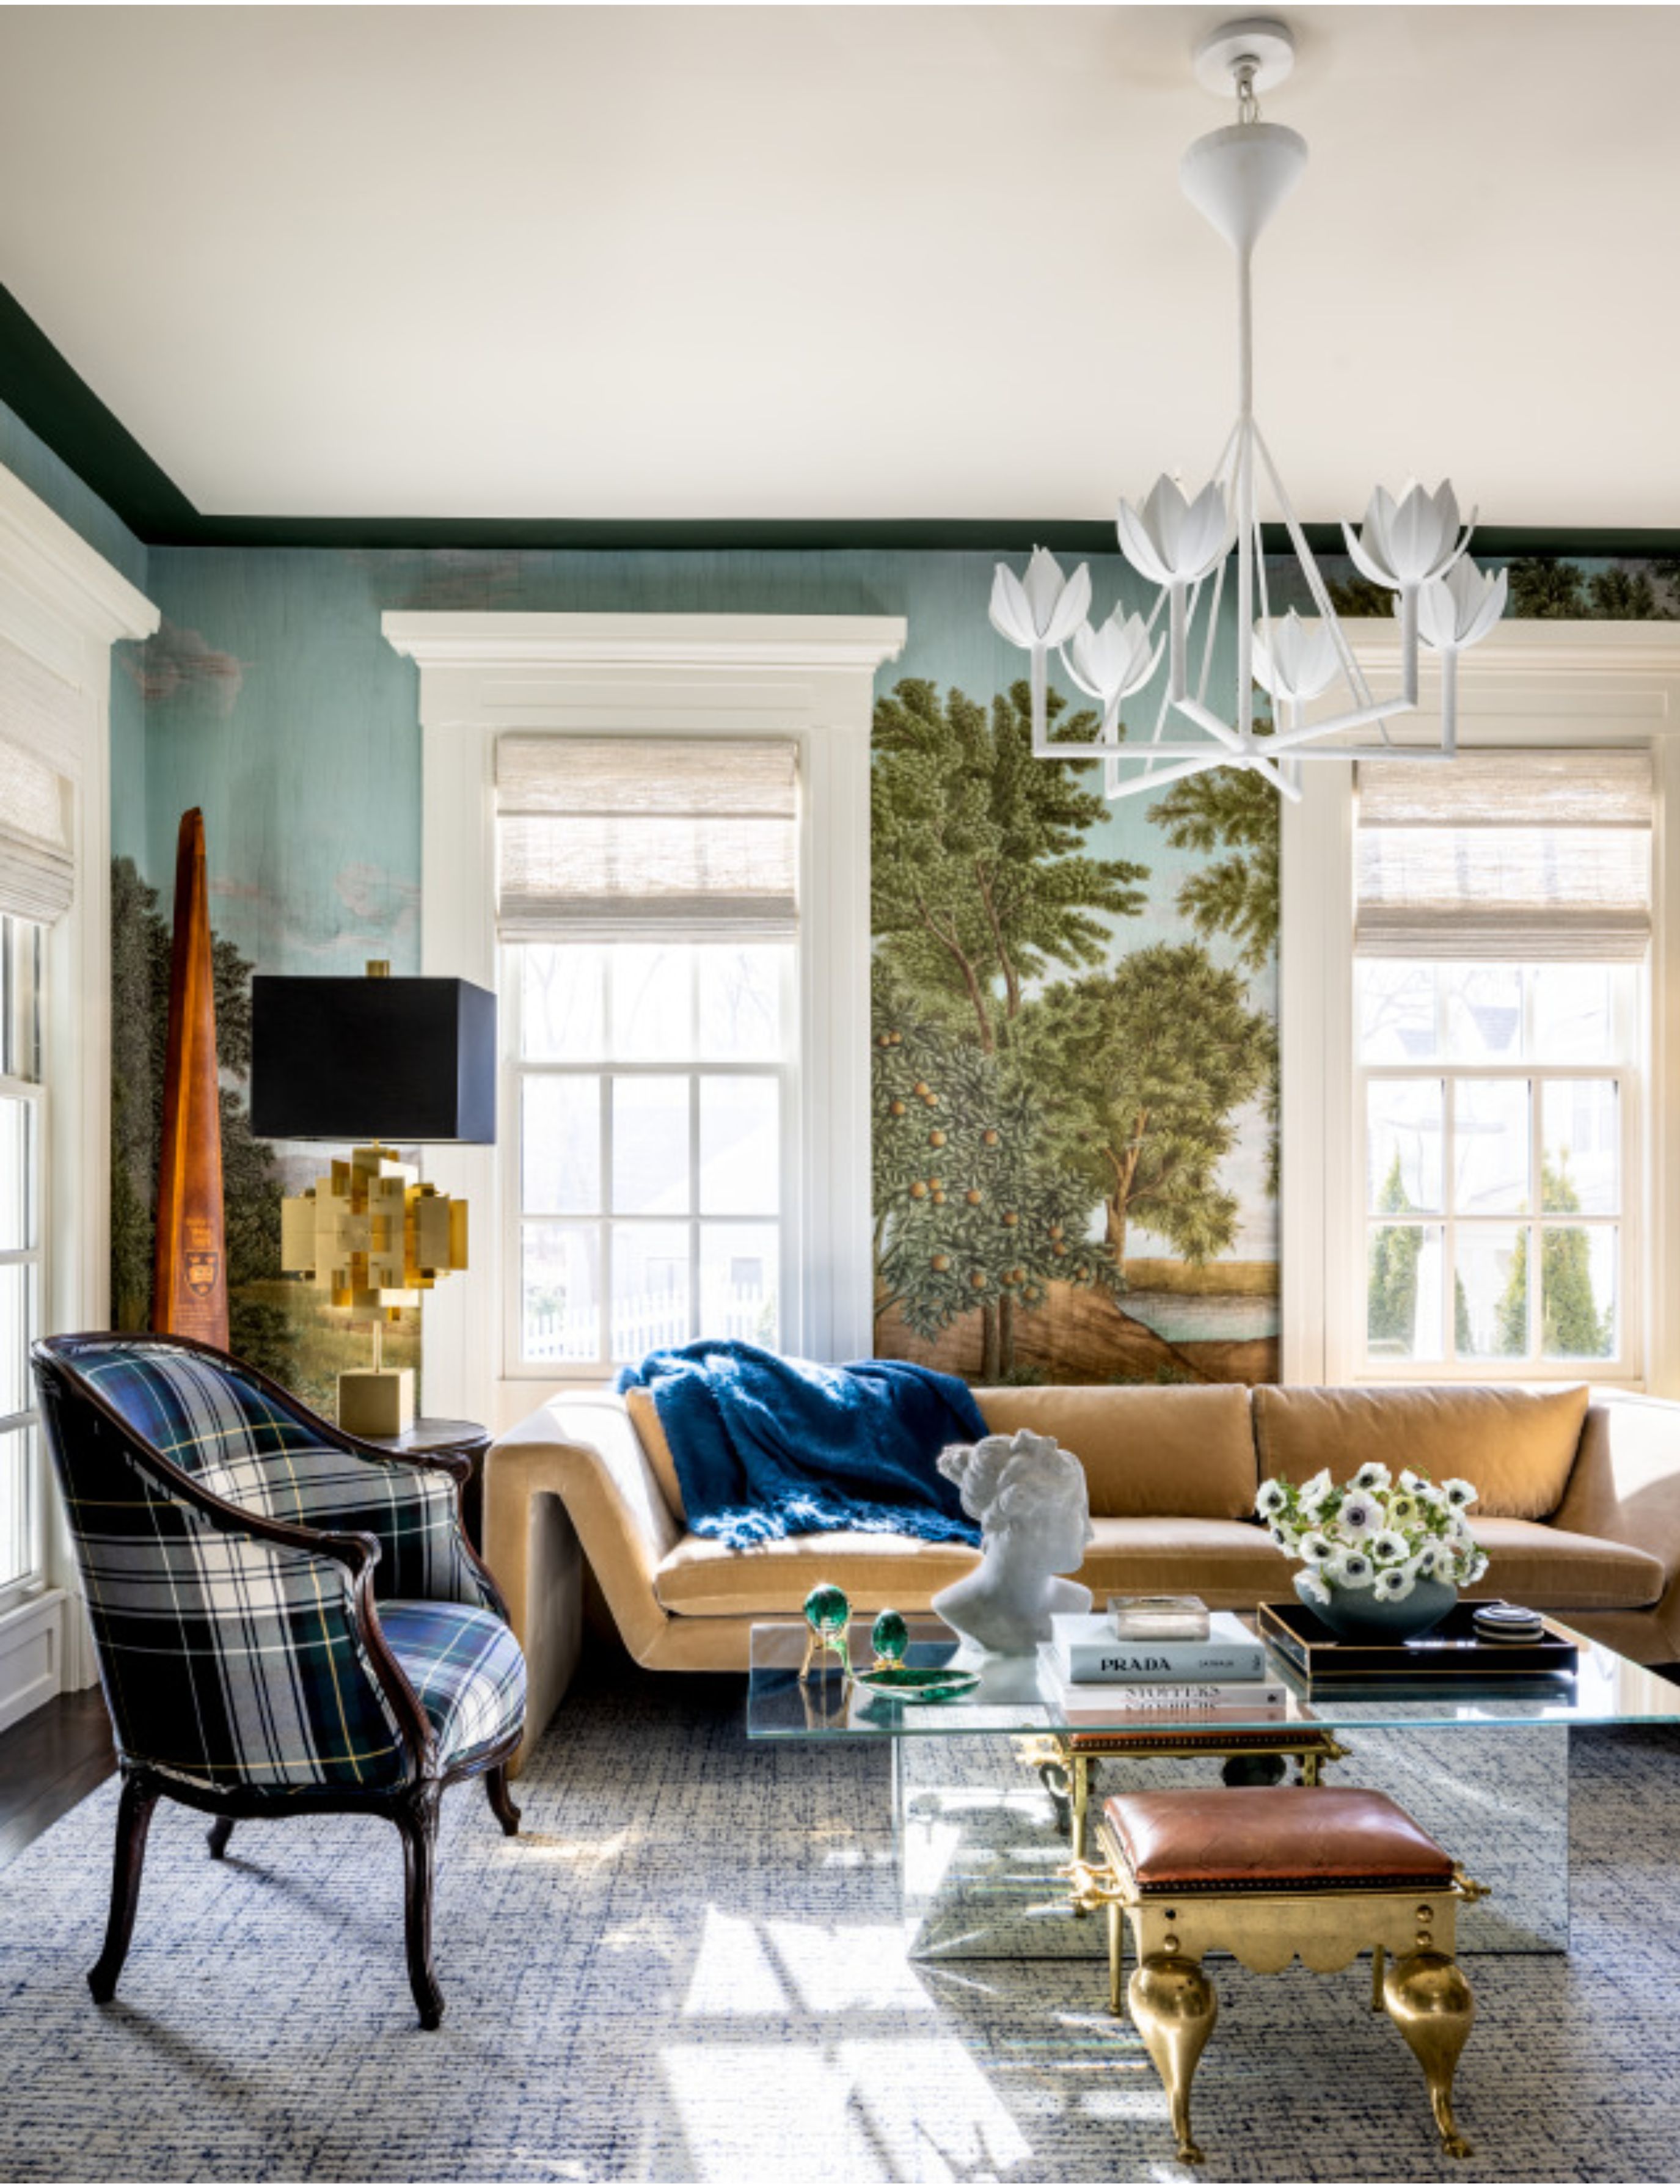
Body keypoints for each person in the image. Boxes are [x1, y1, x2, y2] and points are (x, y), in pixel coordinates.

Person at [931, 1428, 1094, 1656]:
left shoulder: (1077, 1601)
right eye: (1076, 1513)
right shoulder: (955, 1607)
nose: (1089, 1533)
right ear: (1029, 1520)